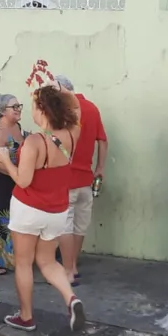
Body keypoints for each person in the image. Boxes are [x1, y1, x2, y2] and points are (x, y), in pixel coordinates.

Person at [0, 82, 86, 332]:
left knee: (24, 264)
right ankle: (71, 299)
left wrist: (4, 160)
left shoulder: (35, 141)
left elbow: (23, 180)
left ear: (42, 109)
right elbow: (76, 108)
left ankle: (26, 317)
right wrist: (62, 91)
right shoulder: (72, 134)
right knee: (48, 262)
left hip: (29, 208)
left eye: (34, 105)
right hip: (57, 210)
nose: (30, 110)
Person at [54, 75, 108, 286]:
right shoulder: (92, 108)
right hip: (86, 178)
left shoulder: (61, 112)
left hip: (64, 179)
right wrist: (100, 167)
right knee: (80, 225)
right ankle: (73, 265)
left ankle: (67, 270)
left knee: (64, 226)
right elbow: (102, 140)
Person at [0, 94, 24, 275]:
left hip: (18, 179)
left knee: (16, 219)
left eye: (19, 105)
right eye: (14, 106)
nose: (18, 109)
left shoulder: (17, 127)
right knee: (1, 218)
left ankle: (12, 257)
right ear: (2, 111)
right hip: (2, 181)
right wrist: (16, 173)